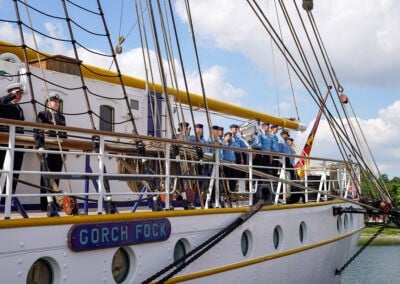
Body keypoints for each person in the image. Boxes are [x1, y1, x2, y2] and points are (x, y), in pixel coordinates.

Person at [36, 92, 67, 211]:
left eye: (58, 101)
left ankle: (55, 202)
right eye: (54, 101)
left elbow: (64, 135)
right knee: (46, 177)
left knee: (56, 176)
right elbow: (38, 130)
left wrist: (65, 151)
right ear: (48, 102)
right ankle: (45, 204)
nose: (57, 103)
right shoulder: (42, 115)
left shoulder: (61, 117)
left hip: (58, 151)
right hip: (47, 150)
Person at [0, 83, 25, 198]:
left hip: (18, 145)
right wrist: (11, 96)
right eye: (17, 93)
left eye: (21, 93)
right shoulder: (4, 105)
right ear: (10, 93)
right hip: (5, 144)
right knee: (2, 171)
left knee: (14, 173)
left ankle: (8, 199)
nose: (20, 95)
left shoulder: (20, 109)